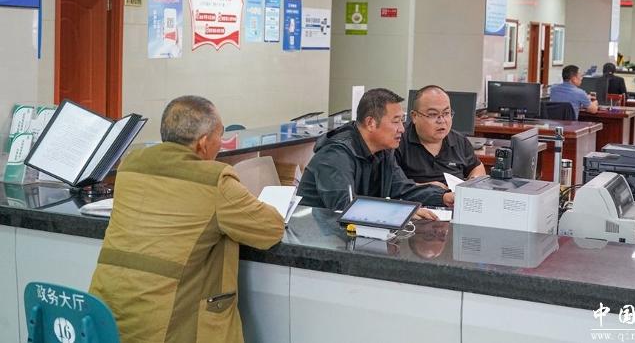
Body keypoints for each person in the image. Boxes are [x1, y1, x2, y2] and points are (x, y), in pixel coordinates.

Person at [90, 96, 285, 343]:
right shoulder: (214, 180)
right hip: (166, 326)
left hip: (107, 315)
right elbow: (270, 229)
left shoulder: (131, 166)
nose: (221, 143)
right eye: (220, 135)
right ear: (203, 143)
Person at [298, 88, 453, 215]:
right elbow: (345, 207)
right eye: (396, 121)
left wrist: (443, 197)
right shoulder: (335, 155)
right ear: (371, 123)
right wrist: (401, 212)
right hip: (315, 238)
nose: (402, 128)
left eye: (402, 121)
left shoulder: (383, 151)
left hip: (352, 234)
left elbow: (402, 189)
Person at [395, 85, 486, 185]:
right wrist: (427, 188)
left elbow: (477, 167)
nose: (442, 120)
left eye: (446, 113)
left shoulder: (460, 141)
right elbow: (393, 184)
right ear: (415, 116)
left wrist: (472, 180)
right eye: (433, 114)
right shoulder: (398, 141)